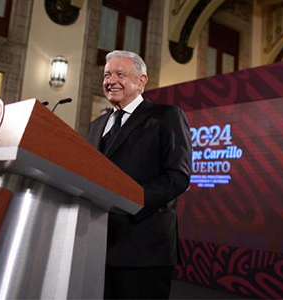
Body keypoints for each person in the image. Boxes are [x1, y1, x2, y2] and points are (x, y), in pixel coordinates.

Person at [87, 50, 191, 299]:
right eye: (107, 75)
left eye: (120, 74)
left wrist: (130, 199)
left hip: (143, 250)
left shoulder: (166, 117)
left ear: (142, 80)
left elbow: (178, 176)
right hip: (96, 245)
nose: (111, 81)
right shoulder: (95, 126)